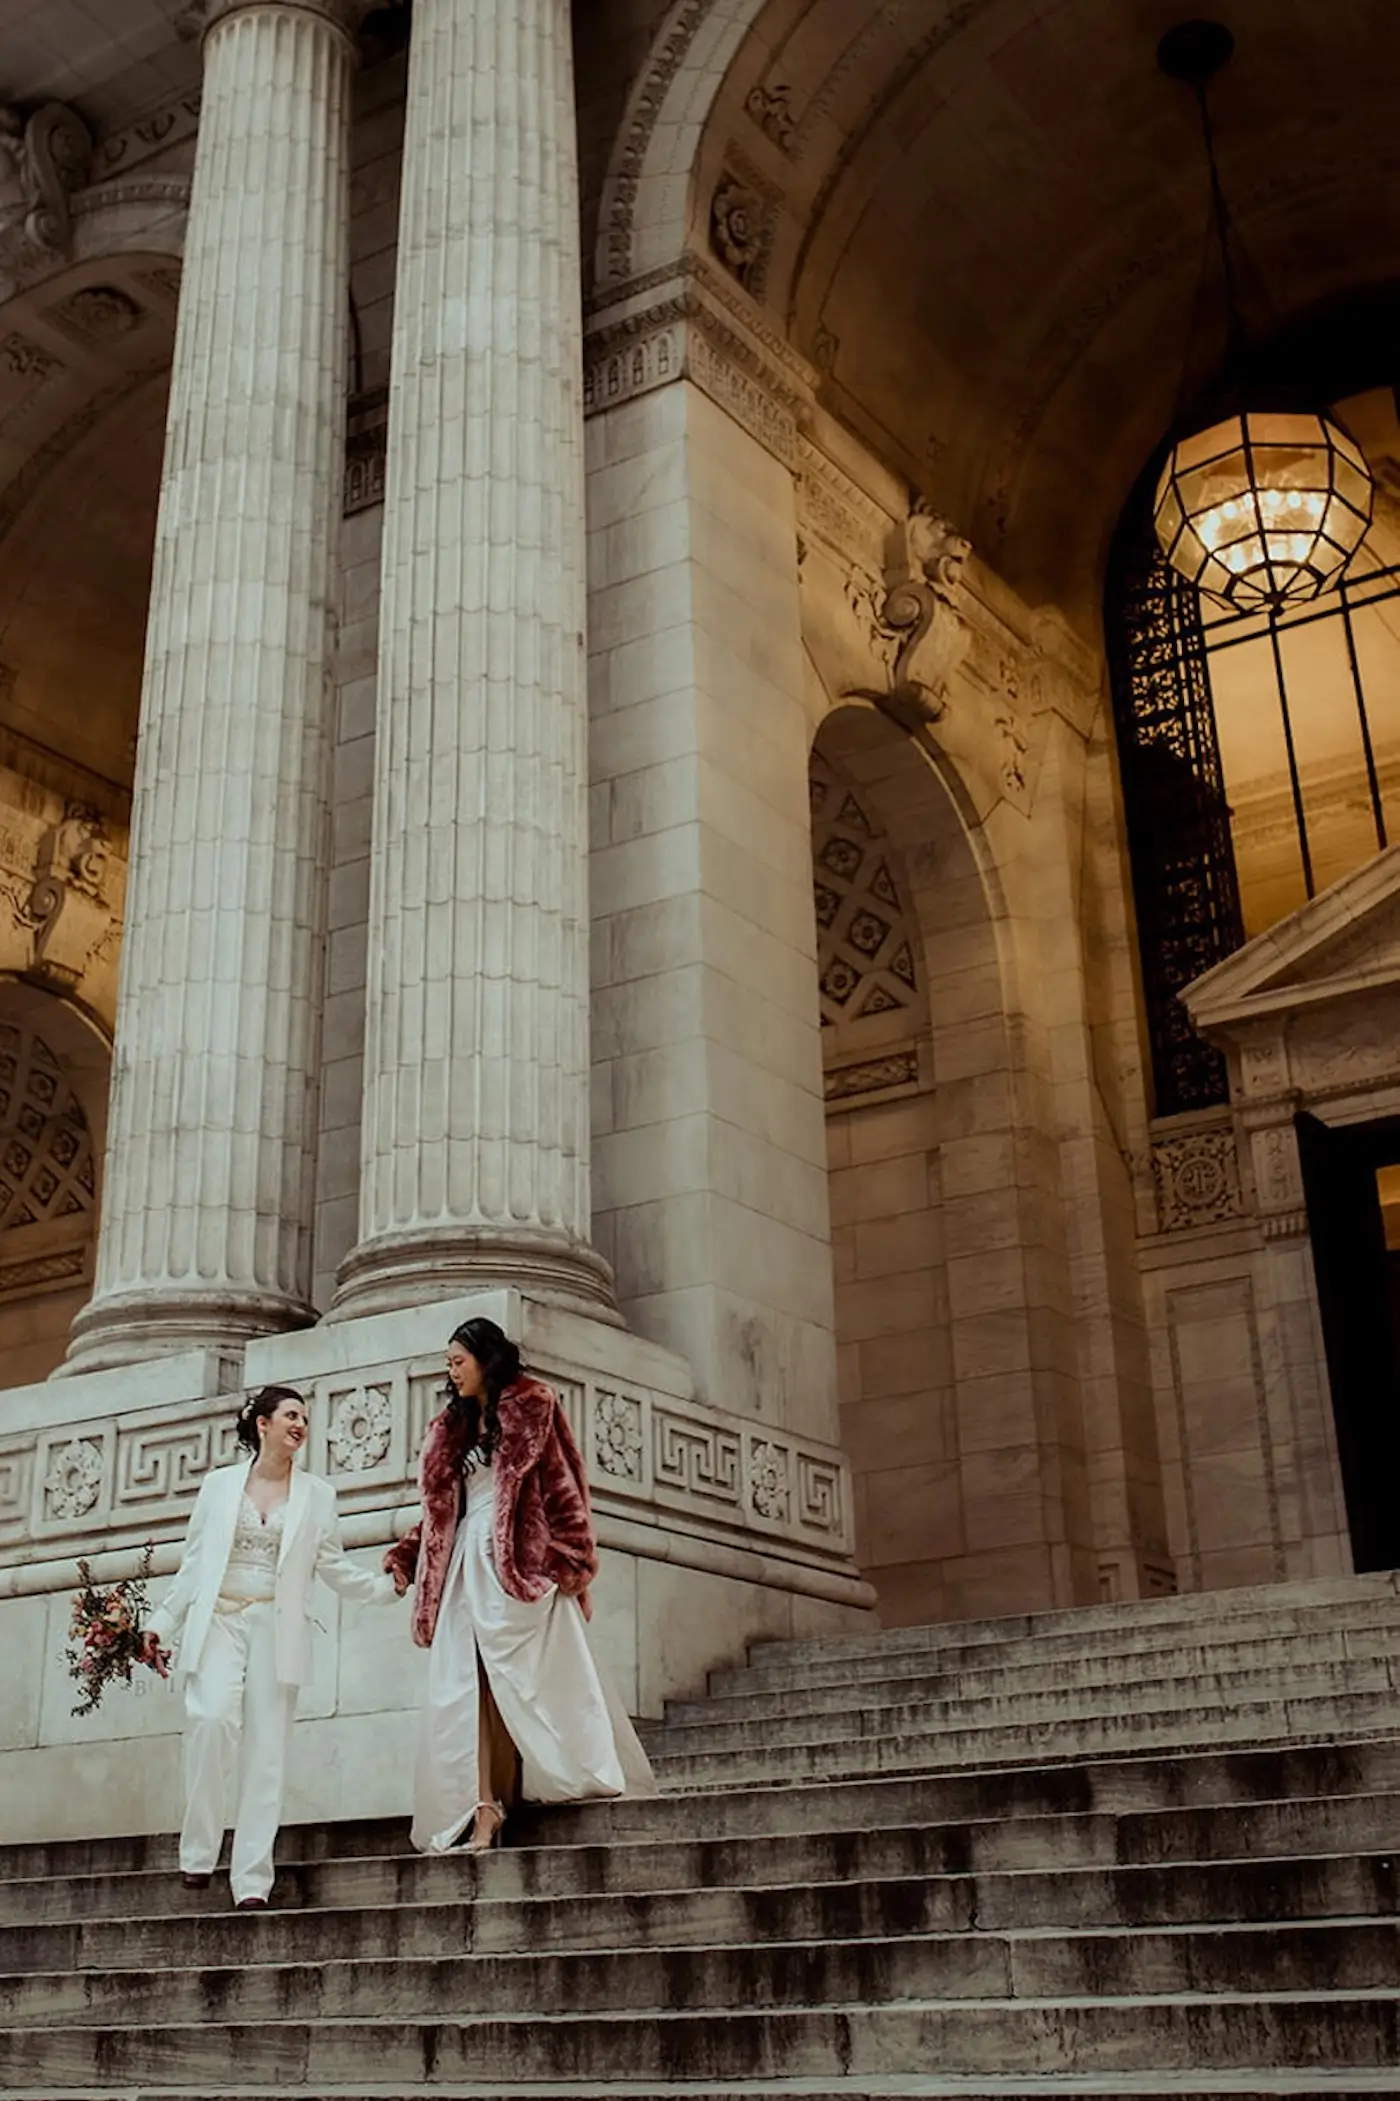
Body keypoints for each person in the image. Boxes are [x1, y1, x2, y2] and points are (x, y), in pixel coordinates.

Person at [386, 1316, 655, 1855]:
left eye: (458, 1360)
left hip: (518, 1565)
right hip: (465, 1562)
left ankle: (543, 1780)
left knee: (530, 1681)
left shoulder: (534, 1406)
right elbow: (439, 1511)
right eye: (448, 1363)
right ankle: (482, 1806)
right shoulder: (449, 1427)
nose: (451, 1370)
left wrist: (571, 1561)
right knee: (468, 1687)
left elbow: (564, 1487)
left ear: (486, 1359)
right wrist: (408, 1557)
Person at [141, 1385, 398, 1909]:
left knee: (266, 1755)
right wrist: (161, 1623)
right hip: (219, 1622)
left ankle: (252, 1880)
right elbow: (193, 1566)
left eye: (304, 1417)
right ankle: (198, 1853)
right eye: (290, 1415)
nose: (300, 1424)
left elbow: (332, 1566)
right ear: (262, 1424)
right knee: (211, 1722)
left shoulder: (318, 1495)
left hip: (275, 1631)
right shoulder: (217, 1486)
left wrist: (385, 1588)